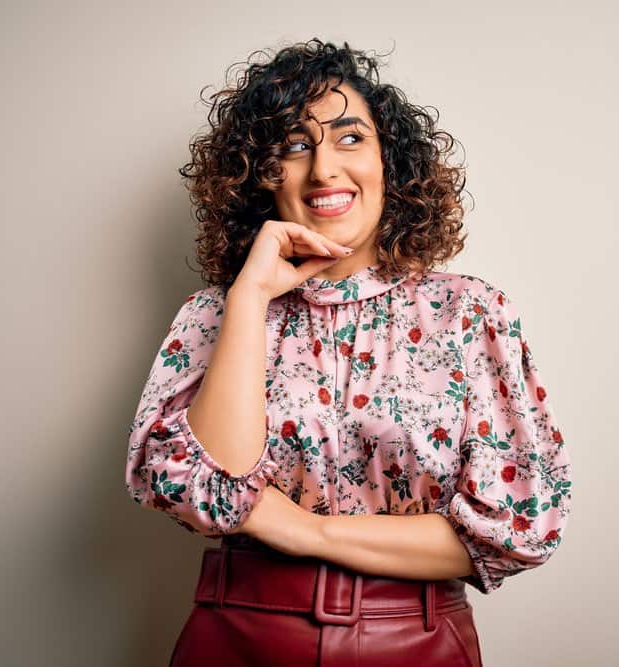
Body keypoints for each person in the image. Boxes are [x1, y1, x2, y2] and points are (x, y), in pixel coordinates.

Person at [125, 38, 573, 667]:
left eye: (349, 138)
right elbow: (211, 493)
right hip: (239, 637)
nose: (324, 170)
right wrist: (250, 296)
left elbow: (517, 528)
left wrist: (305, 529)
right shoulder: (214, 316)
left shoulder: (470, 313)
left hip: (415, 642)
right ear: (260, 175)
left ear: (391, 161)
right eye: (294, 145)